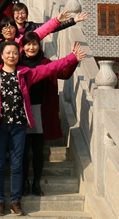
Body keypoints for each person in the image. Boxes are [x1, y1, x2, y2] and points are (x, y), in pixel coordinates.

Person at [0, 40, 84, 217]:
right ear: (1, 55)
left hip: (19, 126)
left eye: (15, 53)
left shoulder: (25, 73)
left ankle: (15, 200)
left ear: (18, 55)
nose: (11, 56)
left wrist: (71, 58)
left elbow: (50, 68)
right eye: (8, 53)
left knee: (17, 165)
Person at [19, 33, 85, 196]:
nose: (31, 47)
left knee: (38, 149)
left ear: (39, 46)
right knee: (23, 151)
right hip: (21, 111)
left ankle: (36, 183)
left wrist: (73, 60)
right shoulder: (17, 64)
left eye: (34, 44)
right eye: (28, 44)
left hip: (40, 109)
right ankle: (24, 182)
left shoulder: (45, 63)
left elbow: (64, 74)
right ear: (23, 46)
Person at [0, 11, 73, 61]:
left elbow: (43, 30)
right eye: (5, 28)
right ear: (1, 31)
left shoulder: (23, 41)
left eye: (11, 27)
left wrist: (57, 20)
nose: (8, 30)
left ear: (16, 29)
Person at [12, 2, 88, 38]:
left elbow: (51, 27)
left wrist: (73, 20)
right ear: (13, 15)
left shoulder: (32, 26)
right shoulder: (9, 28)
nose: (20, 16)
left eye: (23, 13)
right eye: (17, 13)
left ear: (27, 15)